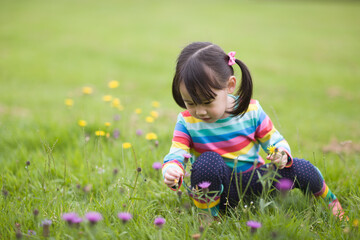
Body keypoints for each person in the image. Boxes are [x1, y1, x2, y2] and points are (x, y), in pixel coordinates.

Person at [162, 41, 346, 220]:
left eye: (207, 102)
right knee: (207, 162)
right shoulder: (186, 121)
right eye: (191, 103)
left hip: (256, 182)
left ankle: (330, 202)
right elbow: (176, 152)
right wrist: (172, 168)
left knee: (299, 167)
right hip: (219, 188)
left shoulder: (251, 112)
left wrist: (281, 153)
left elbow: (274, 139)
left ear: (230, 85)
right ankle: (209, 217)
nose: (200, 111)